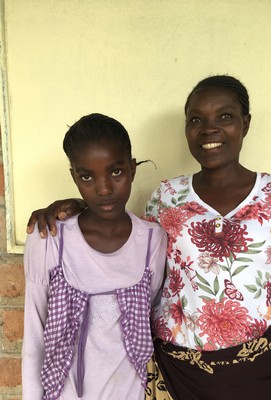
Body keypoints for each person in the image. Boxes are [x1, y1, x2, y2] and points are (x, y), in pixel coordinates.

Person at [27, 76, 271, 400]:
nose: (209, 128)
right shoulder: (166, 197)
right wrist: (79, 207)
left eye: (224, 116)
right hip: (174, 377)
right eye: (196, 119)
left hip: (253, 374)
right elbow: (121, 231)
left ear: (246, 123)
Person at [22, 113, 167, 400]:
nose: (104, 189)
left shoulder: (152, 240)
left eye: (116, 172)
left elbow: (149, 316)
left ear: (132, 169)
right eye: (87, 176)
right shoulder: (48, 238)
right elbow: (34, 335)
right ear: (74, 177)